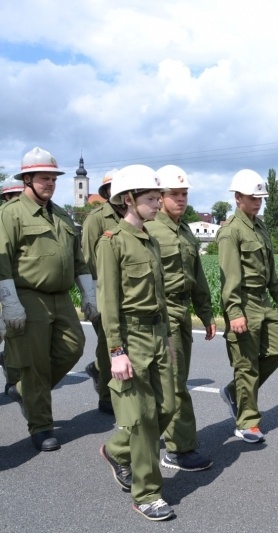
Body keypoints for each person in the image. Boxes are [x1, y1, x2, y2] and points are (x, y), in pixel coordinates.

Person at [0, 147, 98, 452]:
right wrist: (10, 302)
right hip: (29, 295)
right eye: (44, 178)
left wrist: (89, 292)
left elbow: (77, 258)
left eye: (53, 178)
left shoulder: (61, 214)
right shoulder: (11, 213)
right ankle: (41, 426)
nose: (50, 183)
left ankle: (25, 391)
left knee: (74, 346)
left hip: (61, 296)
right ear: (27, 179)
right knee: (35, 363)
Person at [96, 164, 177, 521]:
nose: (158, 203)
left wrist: (168, 339)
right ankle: (148, 493)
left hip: (158, 334)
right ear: (129, 199)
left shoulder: (151, 240)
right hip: (131, 336)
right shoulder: (111, 242)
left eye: (158, 197)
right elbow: (108, 302)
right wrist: (116, 350)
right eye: (150, 198)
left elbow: (158, 294)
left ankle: (117, 450)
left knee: (167, 408)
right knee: (143, 420)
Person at [145, 165, 216, 470]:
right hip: (162, 312)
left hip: (184, 311)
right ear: (159, 197)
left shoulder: (186, 230)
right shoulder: (149, 229)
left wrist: (207, 313)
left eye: (184, 194)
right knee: (174, 383)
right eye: (174, 194)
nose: (181, 199)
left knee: (177, 379)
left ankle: (143, 433)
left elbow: (197, 278)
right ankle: (179, 449)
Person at [216, 169, 278, 444]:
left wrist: (277, 296)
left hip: (264, 302)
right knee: (246, 365)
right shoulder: (230, 231)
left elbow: (270, 267)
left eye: (261, 198)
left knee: (277, 351)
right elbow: (228, 276)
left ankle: (234, 392)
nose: (258, 202)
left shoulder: (260, 226)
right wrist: (234, 312)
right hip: (243, 301)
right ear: (238, 198)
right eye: (253, 197)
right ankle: (247, 422)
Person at [82, 168, 124, 415]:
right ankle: (107, 396)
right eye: (114, 187)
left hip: (129, 293)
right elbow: (88, 258)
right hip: (103, 290)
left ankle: (100, 369)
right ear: (107, 191)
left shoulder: (134, 215)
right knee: (108, 341)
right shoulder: (95, 219)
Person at [0, 181, 25, 394]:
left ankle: (14, 378)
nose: (18, 198)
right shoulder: (3, 217)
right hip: (5, 282)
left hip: (21, 285)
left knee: (13, 334)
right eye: (13, 195)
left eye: (20, 194)